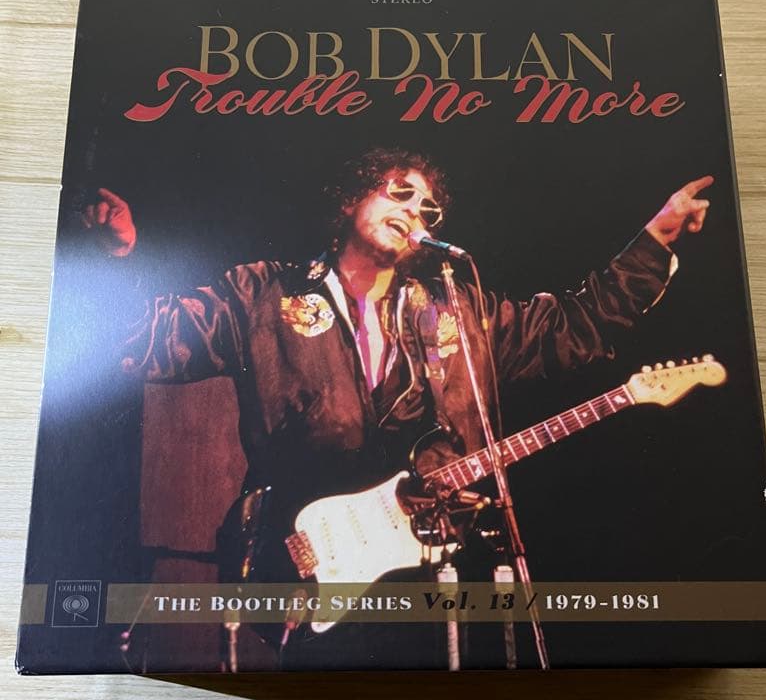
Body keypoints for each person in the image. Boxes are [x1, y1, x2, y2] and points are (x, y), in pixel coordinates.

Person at [82, 148, 712, 668]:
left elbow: (573, 326)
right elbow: (147, 343)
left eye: (428, 207)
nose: (415, 211)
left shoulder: (457, 310)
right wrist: (116, 257)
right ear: (350, 199)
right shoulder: (264, 294)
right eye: (400, 193)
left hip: (436, 565)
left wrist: (655, 239)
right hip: (311, 559)